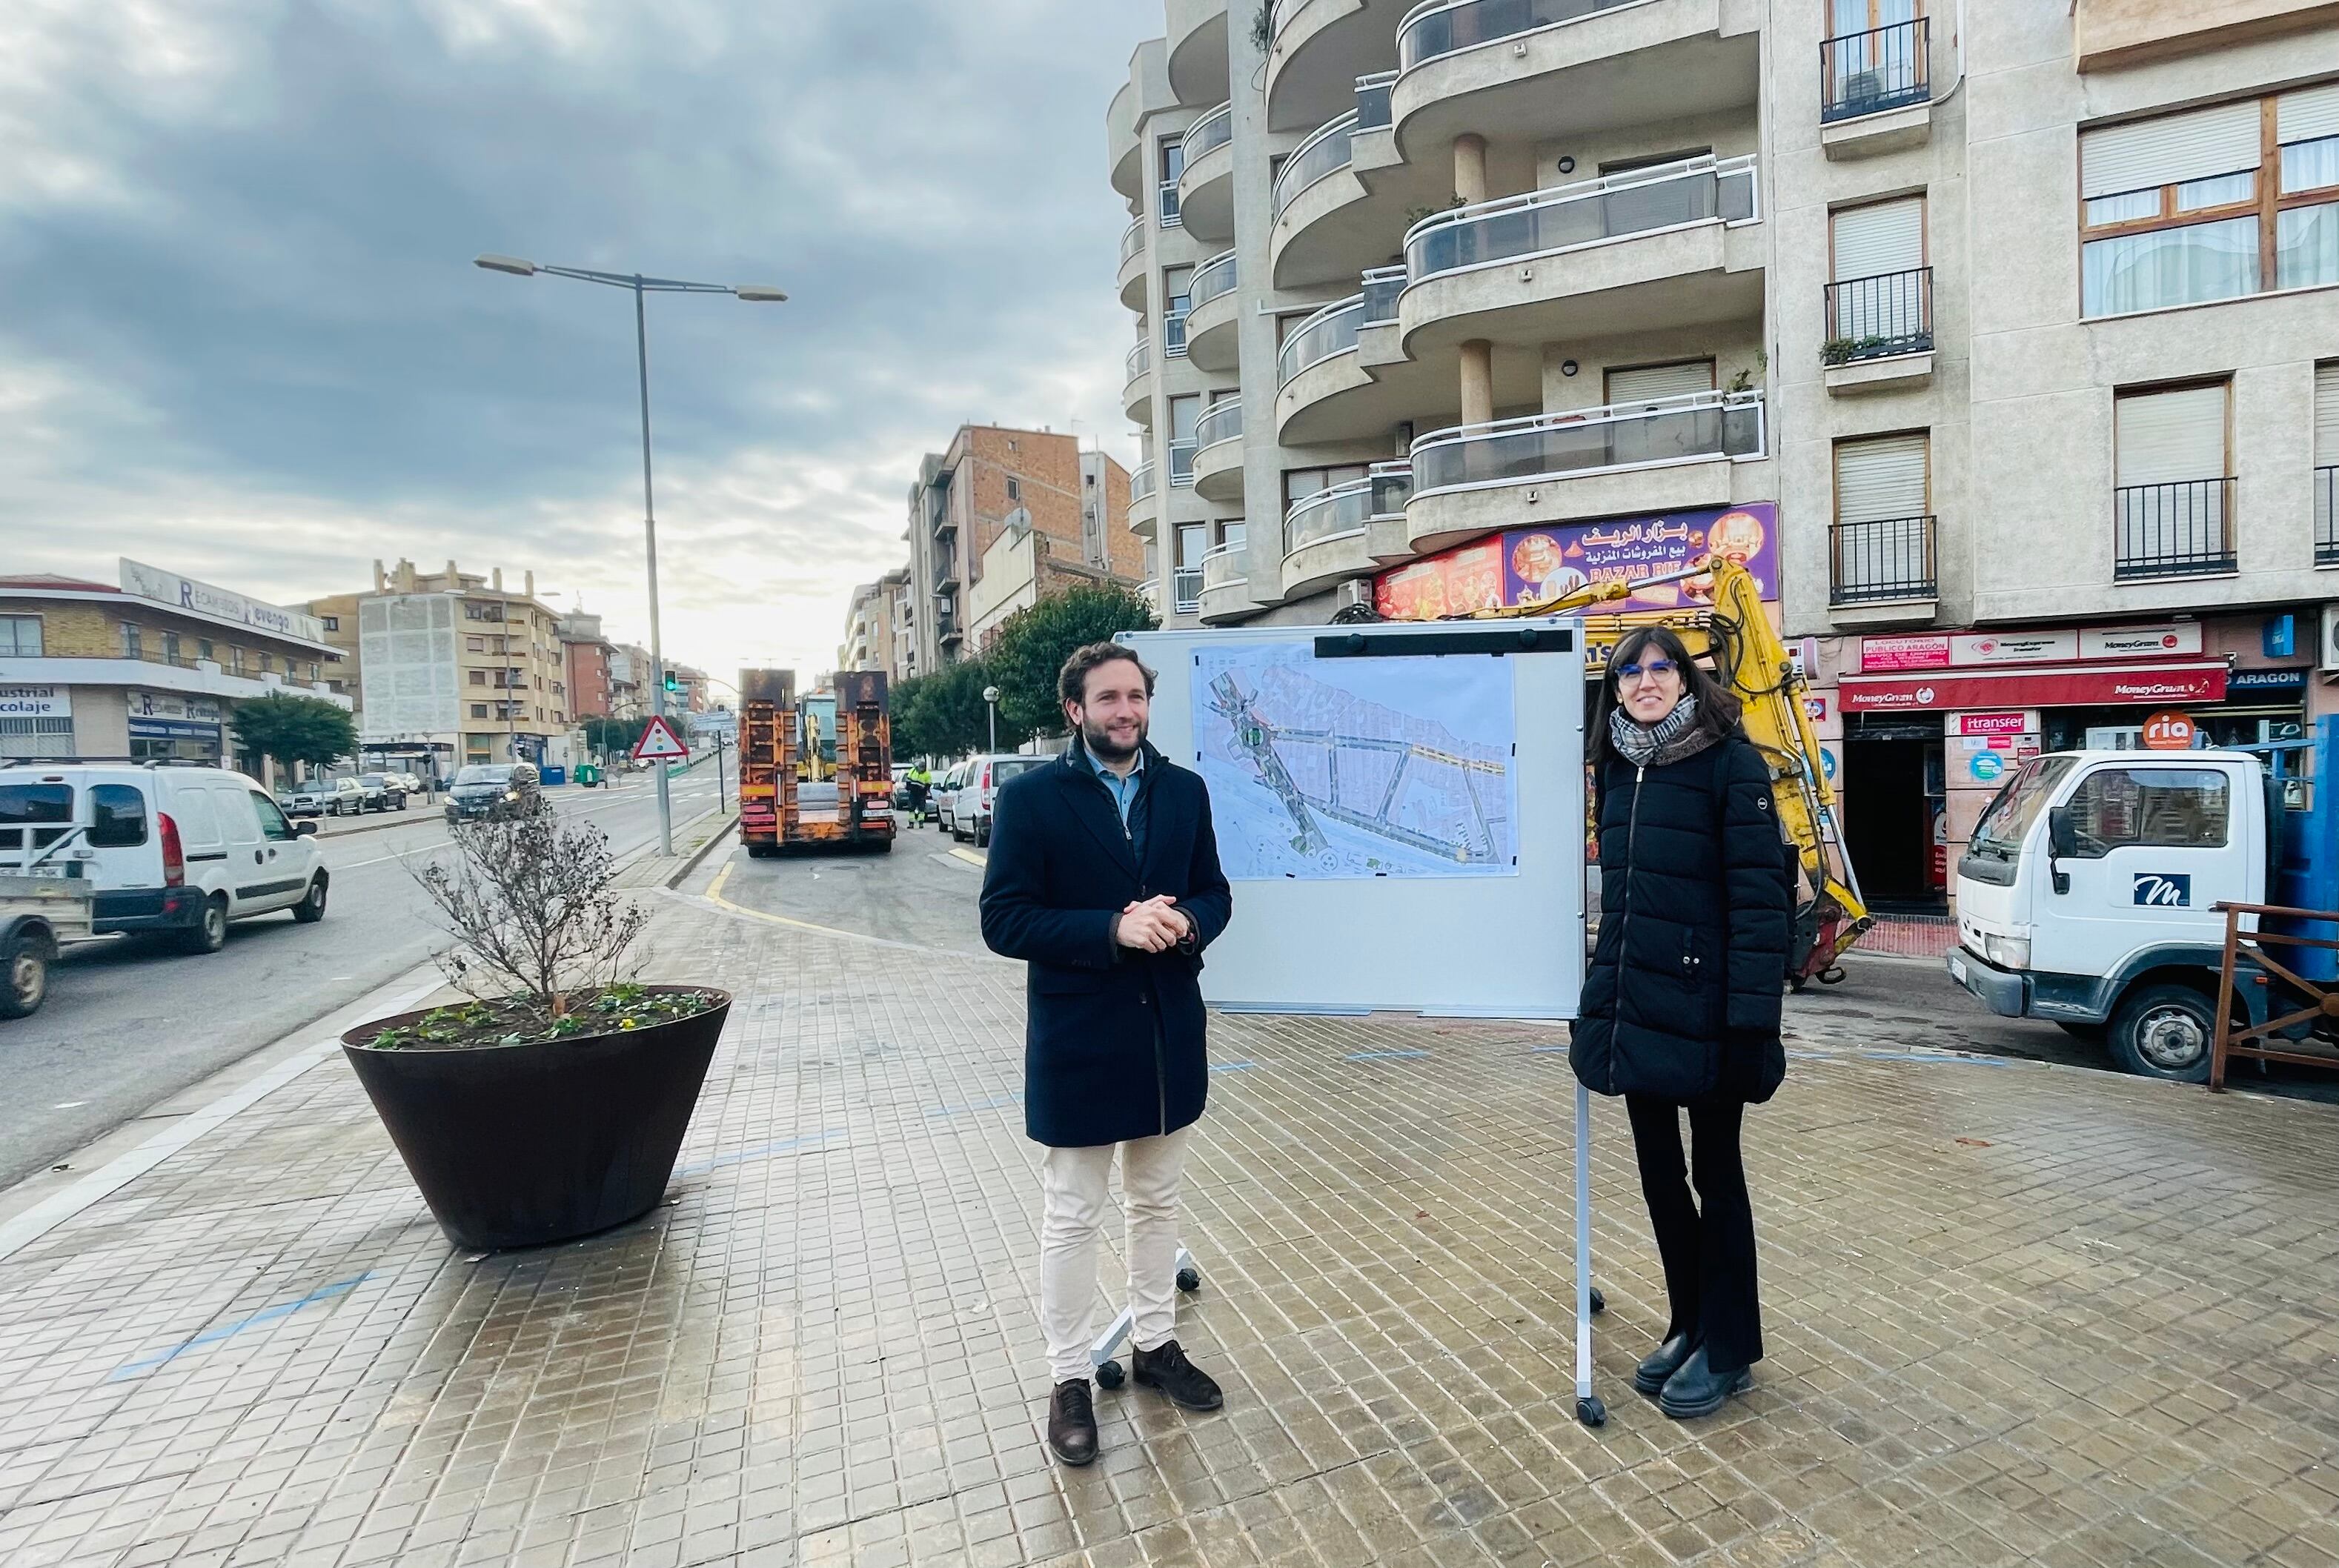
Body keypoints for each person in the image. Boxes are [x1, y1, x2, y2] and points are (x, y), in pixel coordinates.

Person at [978, 642, 1234, 1466]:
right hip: (1079, 1041)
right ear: (1076, 710)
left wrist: (1188, 921)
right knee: (1073, 1215)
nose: (1126, 710)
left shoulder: (1185, 792)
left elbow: (1214, 891)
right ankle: (1068, 1379)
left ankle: (1156, 1347)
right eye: (1109, 698)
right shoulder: (1031, 800)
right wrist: (1111, 927)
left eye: (1136, 696)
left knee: (1156, 1203)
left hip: (1166, 1035)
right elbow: (1005, 920)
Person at [1570, 625, 1790, 1421]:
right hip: (1639, 1010)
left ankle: (1729, 1347)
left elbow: (1761, 902)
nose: (1647, 680)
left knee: (1716, 1177)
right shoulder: (1617, 771)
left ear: (1689, 681)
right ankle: (1690, 1319)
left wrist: (1750, 1024)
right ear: (1616, 688)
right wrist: (1600, 998)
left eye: (1663, 667)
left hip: (1709, 1013)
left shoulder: (1732, 764)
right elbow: (1622, 905)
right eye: (1631, 671)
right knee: (1661, 1178)